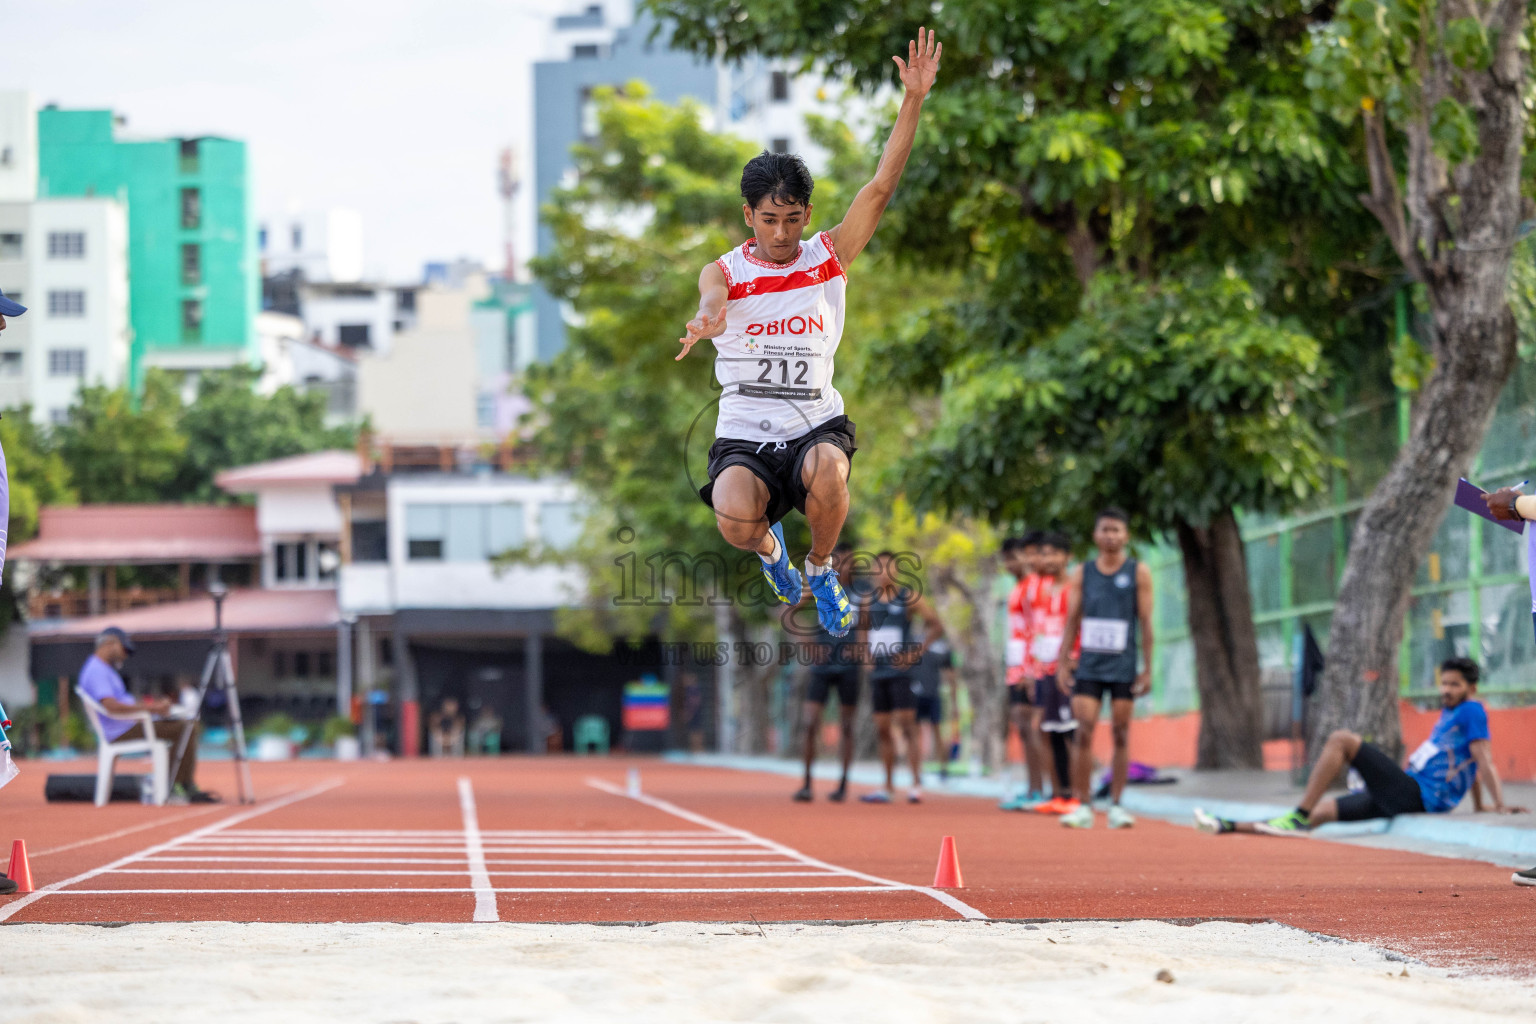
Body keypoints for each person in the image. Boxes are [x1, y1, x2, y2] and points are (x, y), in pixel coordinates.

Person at [678, 29, 942, 642]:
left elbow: (879, 188)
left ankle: (820, 570)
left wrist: (914, 101)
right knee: (733, 516)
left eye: (792, 219)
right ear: (749, 215)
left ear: (807, 214)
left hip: (813, 423)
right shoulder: (725, 271)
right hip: (745, 432)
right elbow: (711, 298)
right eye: (768, 220)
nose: (780, 233)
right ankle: (774, 556)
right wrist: (708, 320)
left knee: (828, 469)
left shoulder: (825, 257)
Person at [1196, 657, 1525, 837]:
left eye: (1455, 684)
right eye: (1444, 682)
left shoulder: (1472, 711)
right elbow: (1468, 764)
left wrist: (1498, 803)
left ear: (1472, 687)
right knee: (1322, 812)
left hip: (1415, 793)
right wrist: (1479, 805)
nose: (1447, 689)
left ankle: (1297, 814)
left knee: (1342, 740)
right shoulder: (1451, 713)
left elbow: (1483, 758)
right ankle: (1227, 825)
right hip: (1402, 794)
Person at [1056, 508, 1154, 829]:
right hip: (1089, 665)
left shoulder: (1138, 572)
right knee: (1083, 729)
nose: (1111, 536)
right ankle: (1083, 804)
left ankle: (1116, 805)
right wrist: (1062, 662)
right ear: (1096, 535)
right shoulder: (1083, 573)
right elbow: (1072, 619)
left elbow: (1146, 622)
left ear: (1125, 536)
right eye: (1105, 530)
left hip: (1124, 665)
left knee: (1121, 732)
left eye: (1116, 530)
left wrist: (1148, 668)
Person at [77, 627, 219, 803]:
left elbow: (122, 703)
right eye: (124, 649)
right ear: (110, 643)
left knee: (182, 724)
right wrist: (152, 709)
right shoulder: (96, 670)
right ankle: (180, 784)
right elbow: (111, 706)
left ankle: (177, 782)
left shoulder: (103, 669)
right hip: (121, 731)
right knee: (185, 727)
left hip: (130, 725)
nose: (126, 655)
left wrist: (154, 708)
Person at [859, 550, 946, 804]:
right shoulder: (868, 600)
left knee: (909, 726)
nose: (884, 572)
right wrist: (865, 656)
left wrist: (915, 652)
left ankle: (916, 784)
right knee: (883, 728)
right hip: (879, 673)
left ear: (897, 570)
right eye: (880, 568)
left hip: (902, 672)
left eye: (889, 567)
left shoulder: (909, 597)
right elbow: (862, 629)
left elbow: (936, 625)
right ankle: (887, 786)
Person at [793, 543, 863, 802]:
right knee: (810, 723)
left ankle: (843, 785)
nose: (844, 564)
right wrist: (809, 644)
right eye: (840, 560)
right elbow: (788, 609)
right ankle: (807, 784)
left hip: (850, 669)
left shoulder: (862, 592)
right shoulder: (821, 588)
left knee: (847, 726)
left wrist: (863, 654)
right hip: (822, 667)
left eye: (849, 560)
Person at [1024, 531, 1080, 814]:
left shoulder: (1074, 588)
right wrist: (1034, 670)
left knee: (1072, 731)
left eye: (1053, 553)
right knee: (1052, 732)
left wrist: (1072, 659)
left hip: (1070, 667)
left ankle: (1081, 794)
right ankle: (1061, 794)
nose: (1047, 559)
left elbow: (1078, 627)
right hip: (1045, 669)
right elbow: (1039, 632)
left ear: (1067, 557)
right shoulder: (1042, 590)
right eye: (1044, 554)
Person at [998, 534, 1049, 809]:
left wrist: (1033, 669)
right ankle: (1033, 788)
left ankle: (1043, 789)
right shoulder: (1017, 588)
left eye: (1015, 557)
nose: (1011, 564)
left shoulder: (1034, 588)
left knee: (1035, 728)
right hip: (1015, 666)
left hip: (1030, 667)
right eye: (1006, 560)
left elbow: (1038, 630)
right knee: (1022, 727)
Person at [911, 636, 959, 782]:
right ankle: (916, 773)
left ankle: (943, 770)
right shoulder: (913, 639)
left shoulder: (942, 646)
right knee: (914, 734)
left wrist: (954, 702)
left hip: (933, 694)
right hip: (915, 694)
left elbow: (951, 674)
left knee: (937, 732)